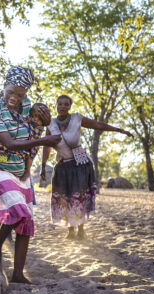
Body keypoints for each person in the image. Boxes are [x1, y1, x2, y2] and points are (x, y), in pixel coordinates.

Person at [0, 66, 61, 284]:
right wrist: (44, 141)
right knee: (18, 210)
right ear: (4, 86)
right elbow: (10, 144)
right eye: (10, 92)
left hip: (19, 170)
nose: (14, 97)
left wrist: (44, 118)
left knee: (26, 222)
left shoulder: (27, 107)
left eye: (20, 94)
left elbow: (38, 123)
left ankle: (17, 274)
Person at [41, 95, 133, 239]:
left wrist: (119, 130)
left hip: (80, 166)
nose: (63, 106)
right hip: (62, 167)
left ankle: (81, 229)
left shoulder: (77, 119)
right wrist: (42, 167)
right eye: (60, 104)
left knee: (79, 196)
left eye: (66, 104)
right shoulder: (51, 124)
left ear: (70, 107)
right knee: (65, 197)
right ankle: (71, 230)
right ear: (56, 105)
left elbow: (98, 125)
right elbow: (47, 147)